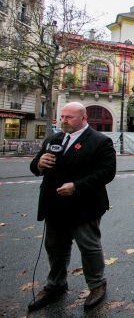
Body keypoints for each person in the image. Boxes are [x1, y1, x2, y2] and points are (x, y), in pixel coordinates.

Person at [28, 102, 116, 312]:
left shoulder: (100, 141)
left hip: (84, 206)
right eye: (62, 116)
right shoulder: (53, 139)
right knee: (55, 247)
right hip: (54, 205)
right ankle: (56, 284)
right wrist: (39, 164)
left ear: (83, 118)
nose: (63, 121)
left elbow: (107, 172)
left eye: (69, 117)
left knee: (89, 246)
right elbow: (34, 166)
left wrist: (76, 187)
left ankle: (97, 285)